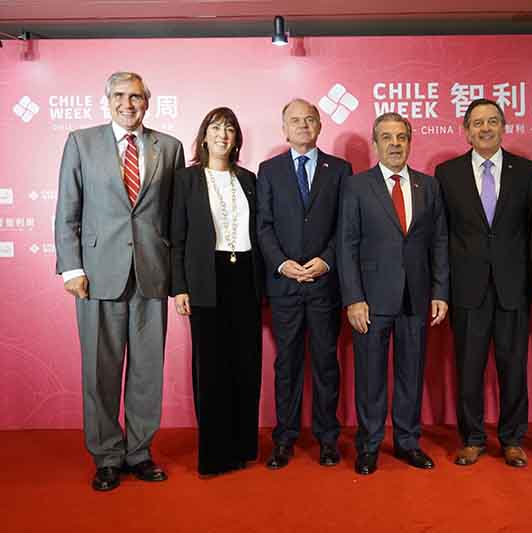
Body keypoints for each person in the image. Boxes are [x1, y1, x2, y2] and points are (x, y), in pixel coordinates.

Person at [54, 71, 185, 491]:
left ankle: (140, 451)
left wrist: (176, 275)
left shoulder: (170, 147)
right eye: (120, 96)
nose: (128, 104)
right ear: (107, 99)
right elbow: (67, 210)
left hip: (151, 274)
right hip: (96, 276)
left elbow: (173, 218)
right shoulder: (81, 142)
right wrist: (71, 268)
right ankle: (107, 456)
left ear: (148, 101)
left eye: (136, 97)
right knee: (101, 370)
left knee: (148, 371)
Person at [337, 112, 449, 475]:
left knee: (410, 374)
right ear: (376, 143)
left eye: (402, 137)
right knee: (370, 376)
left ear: (410, 141)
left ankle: (407, 442)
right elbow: (346, 245)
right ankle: (369, 445)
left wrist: (440, 291)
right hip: (370, 298)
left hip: (416, 297)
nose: (395, 144)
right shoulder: (357, 186)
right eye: (387, 138)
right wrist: (353, 298)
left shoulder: (428, 186)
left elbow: (439, 243)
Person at [434, 99, 532, 467]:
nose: (485, 128)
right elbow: (441, 235)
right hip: (467, 287)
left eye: (492, 121)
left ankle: (512, 439)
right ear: (466, 131)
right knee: (469, 367)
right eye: (477, 123)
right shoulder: (447, 173)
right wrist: (441, 289)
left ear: (503, 127)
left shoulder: (527, 171)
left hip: (513, 286)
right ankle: (473, 438)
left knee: (514, 367)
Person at [256, 98, 352, 469]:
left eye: (309, 119)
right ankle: (285, 438)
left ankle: (328, 438)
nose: (302, 125)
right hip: (284, 285)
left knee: (327, 363)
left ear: (319, 126)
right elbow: (263, 225)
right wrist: (282, 264)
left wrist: (326, 261)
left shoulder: (340, 170)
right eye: (295, 120)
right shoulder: (269, 169)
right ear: (284, 128)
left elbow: (346, 225)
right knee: (288, 364)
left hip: (325, 284)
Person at [170, 107, 264, 476]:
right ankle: (215, 454)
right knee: (210, 368)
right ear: (204, 136)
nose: (223, 135)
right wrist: (179, 287)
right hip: (205, 279)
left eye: (230, 129)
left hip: (245, 277)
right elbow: (176, 237)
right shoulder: (186, 179)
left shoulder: (250, 179)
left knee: (246, 364)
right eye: (216, 128)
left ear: (237, 139)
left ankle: (242, 446)